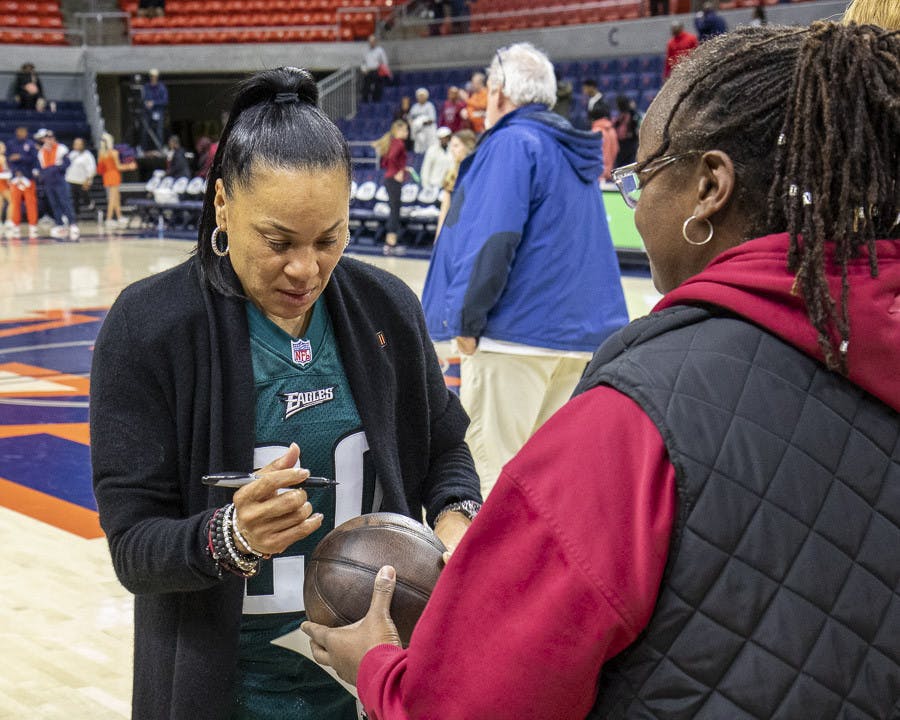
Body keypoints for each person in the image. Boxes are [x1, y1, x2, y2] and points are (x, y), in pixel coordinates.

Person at [302, 23, 900, 719]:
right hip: (581, 331)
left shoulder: (637, 419)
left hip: (517, 339)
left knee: (498, 488)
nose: (637, 205)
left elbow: (467, 704)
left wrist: (379, 669)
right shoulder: (572, 151)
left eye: (642, 178)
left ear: (710, 186)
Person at [90, 67, 480, 720]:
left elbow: (443, 448)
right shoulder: (149, 328)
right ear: (222, 208)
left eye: (329, 238)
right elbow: (135, 548)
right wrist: (229, 535)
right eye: (278, 242)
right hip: (223, 694)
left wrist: (456, 518)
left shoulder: (386, 307)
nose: (306, 268)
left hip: (375, 688)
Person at [420, 43, 629, 497]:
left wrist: (467, 320)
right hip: (572, 341)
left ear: (497, 91)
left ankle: (484, 570)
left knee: (486, 471)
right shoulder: (567, 149)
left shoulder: (512, 142)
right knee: (540, 478)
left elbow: (494, 240)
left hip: (513, 335)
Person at [34, 129, 79, 241]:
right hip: (48, 181)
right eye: (47, 138)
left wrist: (53, 169)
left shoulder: (61, 149)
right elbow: (41, 168)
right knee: (54, 203)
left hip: (59, 180)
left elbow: (66, 164)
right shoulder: (41, 152)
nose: (49, 140)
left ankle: (72, 223)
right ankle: (59, 223)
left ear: (54, 138)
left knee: (64, 202)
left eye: (51, 138)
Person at [373, 119, 409, 255]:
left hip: (389, 179)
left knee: (394, 210)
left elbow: (384, 162)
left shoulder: (391, 142)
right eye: (405, 130)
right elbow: (393, 158)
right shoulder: (399, 143)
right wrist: (399, 171)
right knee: (395, 211)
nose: (407, 132)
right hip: (393, 180)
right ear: (398, 131)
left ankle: (390, 243)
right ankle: (390, 244)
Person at [435, 128, 475, 238]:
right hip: (452, 228)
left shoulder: (477, 173)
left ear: (468, 147)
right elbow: (444, 209)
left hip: (470, 228)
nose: (452, 149)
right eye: (451, 145)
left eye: (456, 146)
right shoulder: (451, 174)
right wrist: (438, 236)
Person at [6, 126, 39, 239]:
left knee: (31, 203)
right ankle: (15, 225)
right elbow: (9, 159)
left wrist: (21, 157)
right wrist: (16, 172)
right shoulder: (11, 144)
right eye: (19, 131)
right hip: (15, 179)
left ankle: (33, 225)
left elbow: (34, 159)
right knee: (15, 203)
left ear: (26, 133)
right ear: (16, 132)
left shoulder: (30, 144)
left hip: (28, 178)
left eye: (23, 131)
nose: (21, 133)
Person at [65, 137, 97, 219]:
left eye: (78, 144)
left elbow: (92, 168)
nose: (76, 146)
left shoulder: (87, 155)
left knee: (85, 198)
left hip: (82, 181)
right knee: (74, 200)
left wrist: (88, 180)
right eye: (75, 144)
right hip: (71, 179)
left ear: (83, 145)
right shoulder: (72, 154)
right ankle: (75, 217)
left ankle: (92, 207)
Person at [97, 133, 124, 227]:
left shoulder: (101, 153)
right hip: (114, 175)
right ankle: (108, 218)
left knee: (116, 197)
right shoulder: (114, 153)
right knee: (113, 198)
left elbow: (100, 168)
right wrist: (130, 166)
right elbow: (119, 167)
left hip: (107, 175)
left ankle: (120, 217)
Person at [589, 100, 618, 182]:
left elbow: (592, 154)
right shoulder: (612, 130)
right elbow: (615, 150)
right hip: (609, 174)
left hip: (597, 176)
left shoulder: (595, 132)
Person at [141, 69, 169, 151]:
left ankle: (159, 149)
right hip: (147, 112)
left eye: (154, 76)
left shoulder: (161, 87)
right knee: (145, 131)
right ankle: (144, 149)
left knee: (158, 131)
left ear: (157, 77)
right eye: (151, 76)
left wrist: (154, 103)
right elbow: (142, 99)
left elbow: (165, 100)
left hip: (158, 112)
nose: (152, 78)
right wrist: (146, 104)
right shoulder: (146, 87)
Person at [407, 87, 437, 154]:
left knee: (430, 150)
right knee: (419, 150)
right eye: (419, 96)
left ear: (426, 97)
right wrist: (412, 123)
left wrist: (420, 123)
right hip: (418, 132)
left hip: (429, 131)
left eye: (422, 96)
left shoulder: (429, 106)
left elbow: (432, 120)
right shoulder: (415, 107)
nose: (421, 97)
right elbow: (410, 118)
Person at [360, 35, 389, 103]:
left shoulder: (380, 50)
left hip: (377, 71)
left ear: (375, 42)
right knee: (366, 87)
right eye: (370, 42)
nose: (372, 43)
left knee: (377, 86)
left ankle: (376, 100)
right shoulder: (365, 51)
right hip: (368, 71)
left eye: (373, 41)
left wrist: (382, 69)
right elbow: (363, 62)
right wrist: (364, 70)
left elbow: (385, 61)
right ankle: (365, 101)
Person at [613, 93, 640, 166]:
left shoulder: (631, 114)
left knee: (628, 165)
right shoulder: (623, 116)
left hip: (629, 143)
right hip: (625, 144)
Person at [0, 142, 10, 226]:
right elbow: (6, 170)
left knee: (0, 203)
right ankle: (8, 221)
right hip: (3, 182)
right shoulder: (2, 158)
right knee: (12, 201)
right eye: (3, 147)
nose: (5, 148)